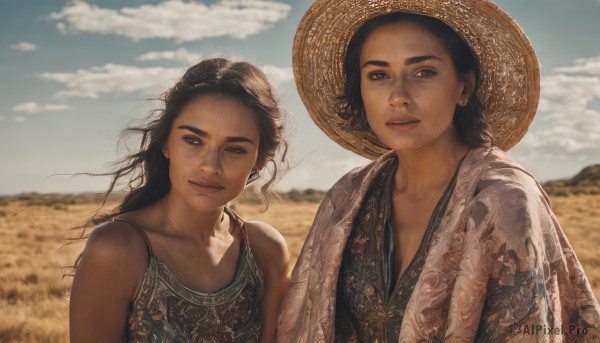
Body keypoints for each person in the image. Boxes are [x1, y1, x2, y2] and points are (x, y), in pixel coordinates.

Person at [277, 1, 600, 341]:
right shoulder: (347, 198)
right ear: (360, 90)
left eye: (424, 72)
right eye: (378, 75)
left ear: (464, 86)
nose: (398, 96)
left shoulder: (504, 202)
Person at [69, 58, 290, 342]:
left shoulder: (265, 250)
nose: (210, 165)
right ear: (166, 143)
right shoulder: (119, 249)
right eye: (193, 140)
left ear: (258, 161)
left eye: (234, 148)